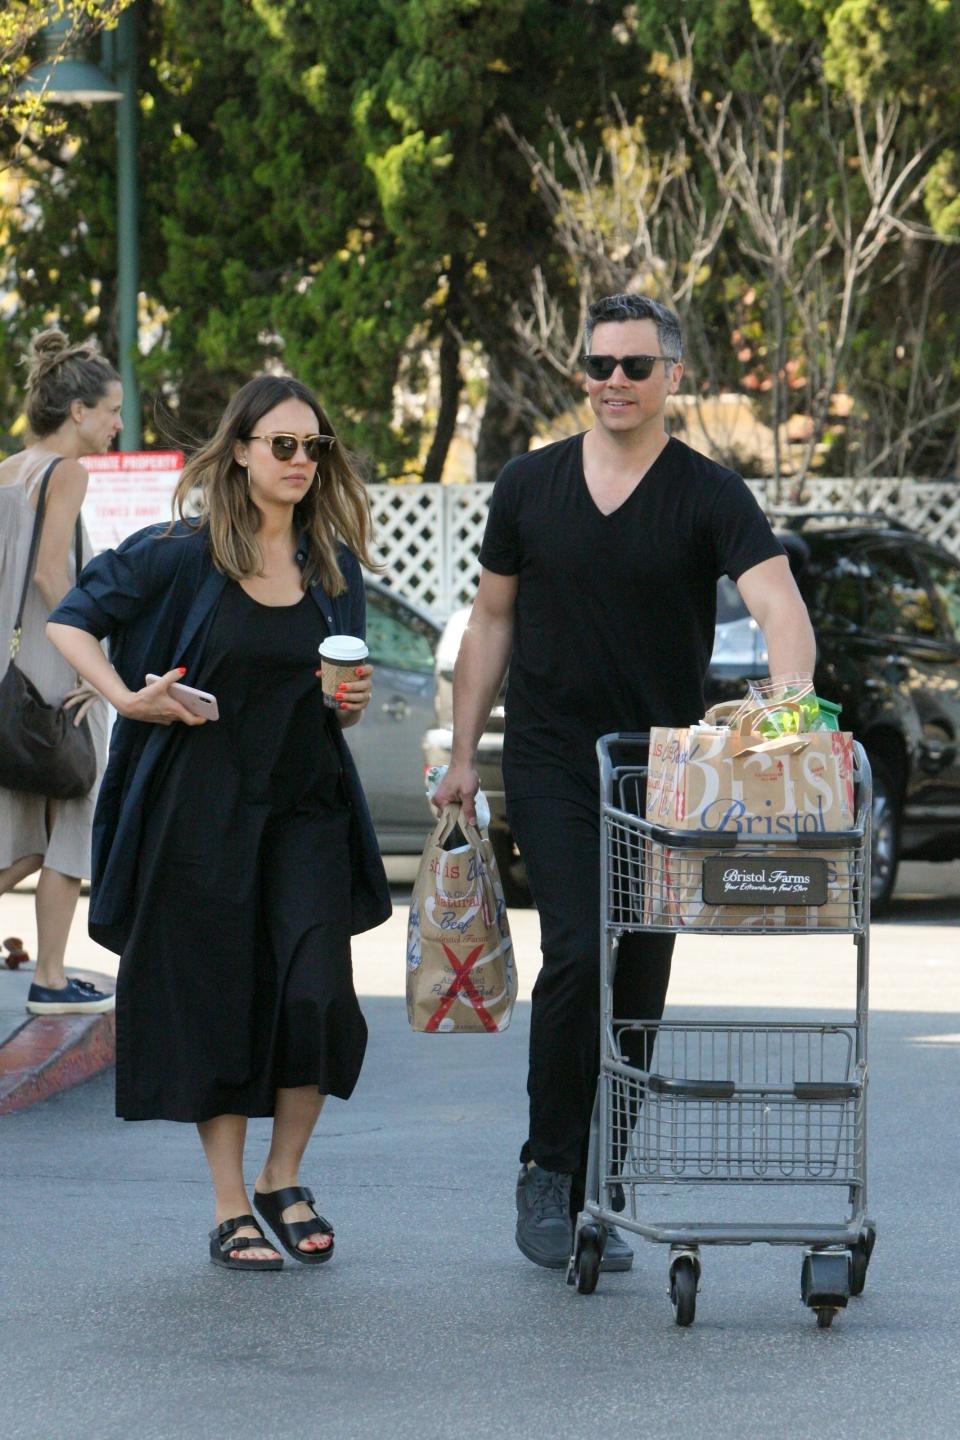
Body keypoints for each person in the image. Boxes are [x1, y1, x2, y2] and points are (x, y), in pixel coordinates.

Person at [433, 293, 816, 1272]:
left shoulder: (710, 493)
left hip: (669, 770)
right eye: (597, 364)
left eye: (633, 367)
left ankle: (608, 1179)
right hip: (557, 758)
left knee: (639, 980)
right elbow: (491, 622)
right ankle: (546, 1169)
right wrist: (461, 755)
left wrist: (790, 703)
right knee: (578, 952)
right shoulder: (527, 484)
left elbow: (777, 606)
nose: (612, 381)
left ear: (672, 378)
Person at [47, 374, 391, 1272]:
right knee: (221, 1002)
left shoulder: (332, 566)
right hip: (202, 817)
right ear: (240, 449)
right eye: (283, 445)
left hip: (306, 809)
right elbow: (69, 622)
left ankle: (285, 1175)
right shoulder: (177, 553)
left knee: (315, 990)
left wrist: (346, 703)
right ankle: (232, 1203)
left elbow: (339, 704)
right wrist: (132, 698)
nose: (301, 463)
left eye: (314, 448)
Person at [0, 329, 117, 1015]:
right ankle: (48, 978)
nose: (116, 424)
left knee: (20, 835)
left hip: (7, 677)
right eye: (110, 410)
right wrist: (94, 653)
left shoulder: (6, 470)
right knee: (69, 823)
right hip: (57, 674)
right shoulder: (67, 473)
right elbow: (50, 571)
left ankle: (49, 975)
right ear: (77, 411)